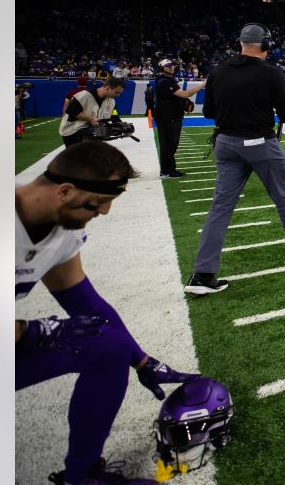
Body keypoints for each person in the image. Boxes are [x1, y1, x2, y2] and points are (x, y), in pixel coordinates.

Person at [16, 142, 199, 485]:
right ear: (66, 191)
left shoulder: (58, 228)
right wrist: (30, 331)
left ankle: (81, 476)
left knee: (109, 346)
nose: (104, 212)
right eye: (98, 203)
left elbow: (84, 302)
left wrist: (143, 361)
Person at [186, 24, 285, 296]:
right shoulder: (271, 72)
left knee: (220, 208)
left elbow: (209, 112)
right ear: (266, 45)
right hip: (259, 142)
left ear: (240, 43)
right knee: (284, 196)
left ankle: (202, 275)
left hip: (225, 143)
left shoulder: (218, 71)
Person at [154, 59, 205, 179]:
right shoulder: (165, 81)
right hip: (167, 117)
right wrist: (203, 84)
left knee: (171, 143)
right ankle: (167, 171)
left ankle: (168, 169)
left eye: (171, 65)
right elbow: (185, 94)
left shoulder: (168, 80)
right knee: (169, 144)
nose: (171, 67)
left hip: (171, 116)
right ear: (162, 68)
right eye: (168, 66)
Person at [59, 77, 126, 147]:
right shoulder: (85, 95)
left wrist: (124, 128)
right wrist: (91, 119)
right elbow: (71, 110)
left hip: (89, 132)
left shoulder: (111, 101)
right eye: (117, 92)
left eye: (120, 93)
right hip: (72, 131)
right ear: (108, 88)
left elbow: (114, 116)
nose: (118, 95)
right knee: (76, 156)